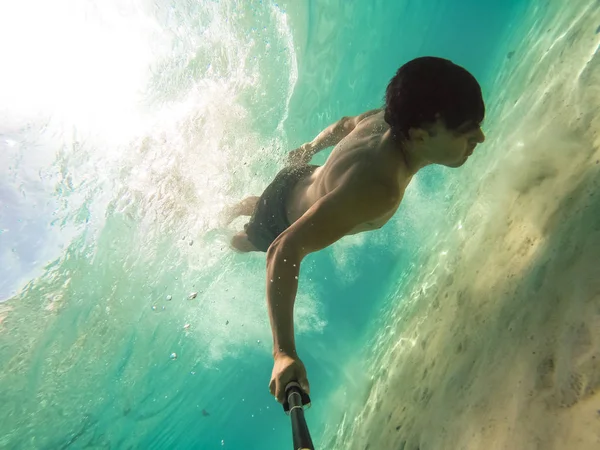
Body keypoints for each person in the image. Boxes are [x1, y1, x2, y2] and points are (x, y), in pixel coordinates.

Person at [224, 56, 486, 403]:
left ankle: (241, 205)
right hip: (279, 220)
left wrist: (308, 149)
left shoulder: (385, 119)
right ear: (421, 135)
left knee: (269, 203)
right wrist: (283, 353)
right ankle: (215, 227)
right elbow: (283, 249)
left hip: (298, 180)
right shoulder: (377, 189)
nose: (480, 138)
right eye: (467, 132)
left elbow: (344, 125)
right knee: (245, 241)